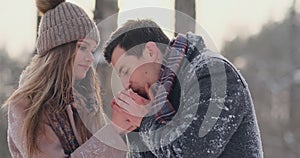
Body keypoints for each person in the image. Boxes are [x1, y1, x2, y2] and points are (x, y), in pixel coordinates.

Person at [103, 19, 264, 157]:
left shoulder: (213, 74)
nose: (125, 85)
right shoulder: (156, 97)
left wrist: (144, 121)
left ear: (151, 52)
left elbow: (190, 152)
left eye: (125, 71)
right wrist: (133, 126)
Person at [2, 0, 134, 157]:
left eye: (92, 50)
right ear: (60, 50)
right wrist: (112, 132)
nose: (90, 58)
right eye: (83, 47)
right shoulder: (27, 105)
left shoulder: (87, 101)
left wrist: (126, 125)